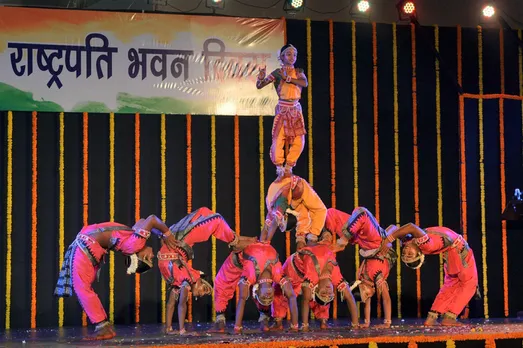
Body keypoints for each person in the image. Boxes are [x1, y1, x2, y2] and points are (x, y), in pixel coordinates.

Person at [54, 215, 176, 340]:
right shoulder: (136, 241)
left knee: (82, 288)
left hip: (87, 242)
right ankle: (103, 327)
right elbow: (147, 220)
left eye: (150, 259)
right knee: (82, 287)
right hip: (87, 241)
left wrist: (165, 234)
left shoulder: (134, 244)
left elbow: (150, 221)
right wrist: (165, 235)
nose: (153, 255)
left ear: (142, 258)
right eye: (151, 258)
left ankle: (103, 327)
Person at [158, 207, 256, 334]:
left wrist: (169, 329)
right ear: (199, 280)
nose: (201, 294)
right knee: (215, 219)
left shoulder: (181, 278)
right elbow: (181, 304)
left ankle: (239, 240)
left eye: (204, 292)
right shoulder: (187, 279)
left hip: (173, 249)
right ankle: (242, 241)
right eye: (204, 289)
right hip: (176, 246)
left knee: (213, 220)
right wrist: (182, 331)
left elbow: (171, 304)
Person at [379, 223, 478, 326]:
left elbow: (393, 228)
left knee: (450, 285)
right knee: (470, 284)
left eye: (404, 253)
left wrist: (384, 241)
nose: (406, 250)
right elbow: (411, 226)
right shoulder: (426, 245)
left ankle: (431, 318)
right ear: (419, 252)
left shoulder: (407, 241)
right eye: (410, 254)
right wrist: (389, 240)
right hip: (460, 250)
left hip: (451, 252)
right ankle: (450, 317)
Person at [271, 234, 359, 331]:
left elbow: (305, 300)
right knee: (279, 293)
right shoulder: (336, 277)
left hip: (294, 271)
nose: (328, 291)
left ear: (315, 288)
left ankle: (323, 321)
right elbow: (350, 297)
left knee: (283, 292)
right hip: (295, 268)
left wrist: (304, 326)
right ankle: (278, 322)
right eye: (330, 294)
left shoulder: (312, 275)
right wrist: (355, 324)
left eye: (323, 293)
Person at [211, 241, 299, 333]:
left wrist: (238, 328)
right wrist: (294, 326)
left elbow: (242, 298)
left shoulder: (250, 276)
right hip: (240, 259)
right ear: (273, 289)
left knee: (223, 284)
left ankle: (264, 322)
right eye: (269, 297)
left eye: (264, 297)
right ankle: (220, 323)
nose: (267, 296)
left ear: (257, 290)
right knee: (221, 283)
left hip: (247, 260)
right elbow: (291, 296)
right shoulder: (278, 275)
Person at [256, 43, 308, 177]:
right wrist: (261, 76)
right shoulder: (277, 73)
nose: (292, 57)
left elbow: (304, 84)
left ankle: (289, 165)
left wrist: (289, 79)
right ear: (282, 57)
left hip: (295, 109)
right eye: (289, 54)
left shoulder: (299, 72)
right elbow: (260, 86)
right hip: (283, 109)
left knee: (299, 140)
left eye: (295, 55)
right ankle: (279, 166)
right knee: (279, 139)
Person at [264, 174, 327, 250]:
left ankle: (311, 238)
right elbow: (266, 228)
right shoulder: (272, 210)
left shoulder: (281, 205)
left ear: (285, 216)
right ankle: (301, 238)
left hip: (300, 187)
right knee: (302, 217)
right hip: (293, 197)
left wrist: (267, 242)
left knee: (320, 209)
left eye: (280, 225)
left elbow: (274, 224)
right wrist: (262, 244)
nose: (279, 224)